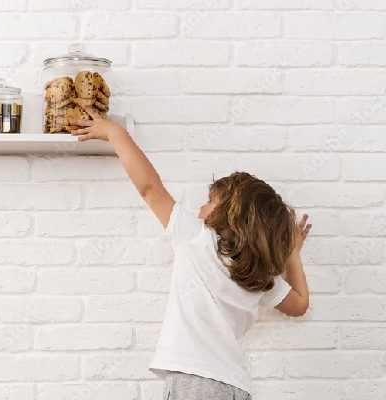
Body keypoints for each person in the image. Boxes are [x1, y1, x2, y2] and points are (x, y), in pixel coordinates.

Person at [68, 103, 311, 400]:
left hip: (197, 382)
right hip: (237, 386)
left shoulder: (198, 238)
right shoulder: (259, 274)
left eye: (209, 202)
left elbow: (150, 188)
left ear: (230, 215)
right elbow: (299, 305)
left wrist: (115, 134)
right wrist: (293, 253)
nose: (200, 207)